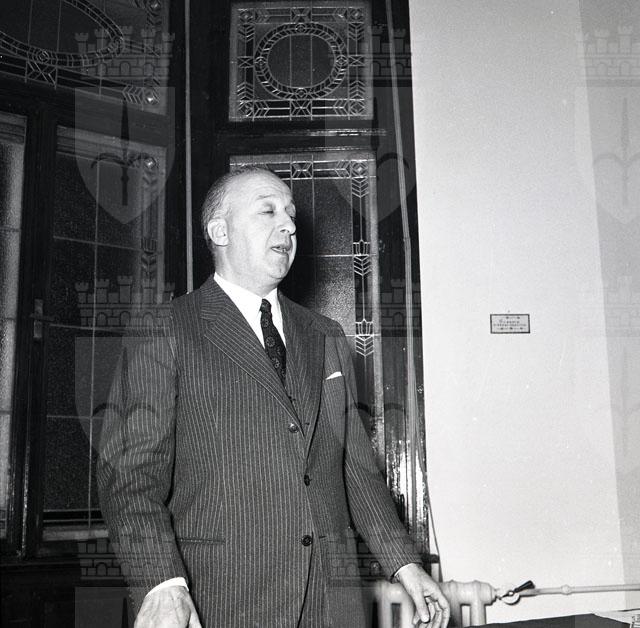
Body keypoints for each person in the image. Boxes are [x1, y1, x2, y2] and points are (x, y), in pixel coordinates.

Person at [98, 167, 450, 628]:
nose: (287, 225)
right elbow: (129, 478)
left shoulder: (325, 335)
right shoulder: (166, 329)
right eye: (268, 211)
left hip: (332, 604)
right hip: (225, 601)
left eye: (291, 215)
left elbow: (356, 470)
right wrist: (161, 582)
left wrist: (404, 563)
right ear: (219, 231)